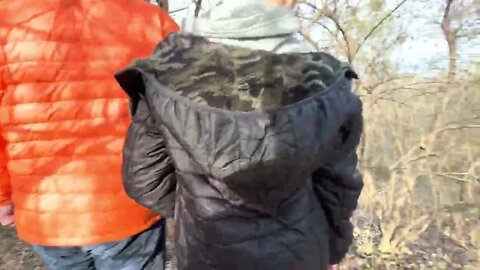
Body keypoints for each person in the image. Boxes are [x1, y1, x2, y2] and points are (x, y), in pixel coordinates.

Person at [115, 0, 363, 269]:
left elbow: (143, 180)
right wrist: (333, 249)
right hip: (299, 254)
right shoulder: (326, 80)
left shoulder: (168, 69)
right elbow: (338, 190)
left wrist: (194, 216)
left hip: (205, 253)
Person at [0, 0, 179, 269]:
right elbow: (182, 107)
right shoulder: (148, 19)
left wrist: (3, 196)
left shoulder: (7, 20)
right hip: (128, 202)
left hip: (45, 205)